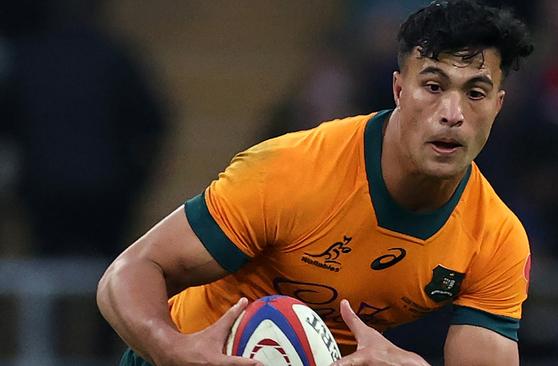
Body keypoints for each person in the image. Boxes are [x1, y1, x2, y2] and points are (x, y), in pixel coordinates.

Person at [97, 1, 534, 365]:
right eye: (433, 86)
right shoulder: (291, 171)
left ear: (498, 106)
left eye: (475, 93)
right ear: (399, 91)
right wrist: (173, 349)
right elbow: (129, 272)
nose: (452, 113)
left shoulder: (496, 239)